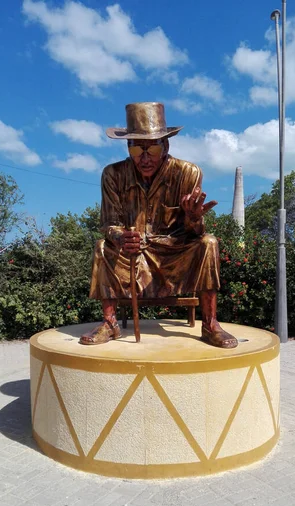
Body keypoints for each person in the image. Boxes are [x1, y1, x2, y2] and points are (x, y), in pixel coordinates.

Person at [80, 102, 237, 349]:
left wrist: (195, 219)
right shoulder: (112, 174)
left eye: (152, 149)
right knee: (102, 246)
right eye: (136, 150)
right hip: (134, 252)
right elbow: (109, 223)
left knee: (209, 243)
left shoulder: (188, 173)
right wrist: (121, 237)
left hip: (174, 252)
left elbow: (194, 233)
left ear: (166, 146)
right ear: (128, 148)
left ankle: (210, 323)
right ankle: (110, 323)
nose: (144, 159)